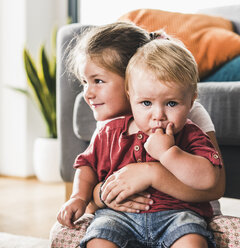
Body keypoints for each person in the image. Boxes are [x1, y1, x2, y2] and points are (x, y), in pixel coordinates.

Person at [58, 34, 223, 247]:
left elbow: (210, 180)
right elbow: (87, 165)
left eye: (171, 104)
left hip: (178, 215)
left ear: (191, 100)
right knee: (98, 239)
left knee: (192, 240)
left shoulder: (191, 132)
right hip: (117, 217)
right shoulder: (109, 131)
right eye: (146, 103)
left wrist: (168, 153)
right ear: (130, 94)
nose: (158, 115)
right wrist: (79, 197)